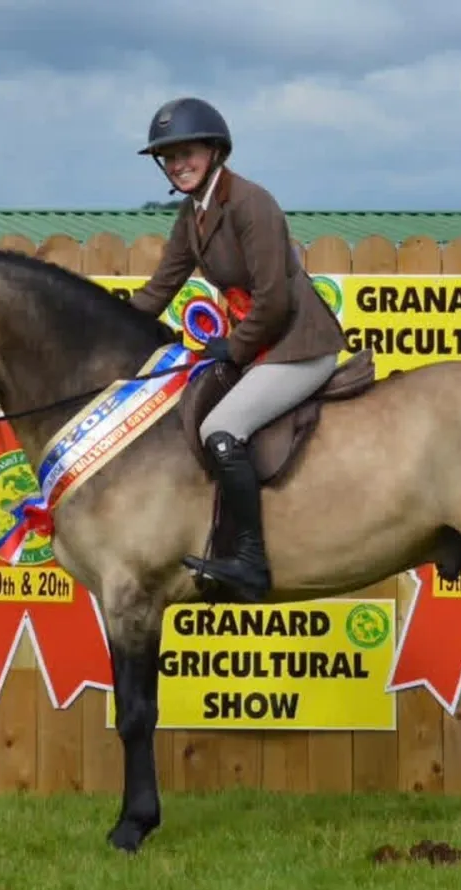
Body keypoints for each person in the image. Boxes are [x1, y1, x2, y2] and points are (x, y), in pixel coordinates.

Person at [128, 97, 347, 602]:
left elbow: (274, 301)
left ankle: (249, 559)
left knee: (220, 429)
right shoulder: (192, 214)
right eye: (169, 157)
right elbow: (160, 290)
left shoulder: (252, 203)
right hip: (262, 344)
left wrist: (232, 348)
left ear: (214, 150)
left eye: (187, 153)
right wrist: (101, 318)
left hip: (298, 344)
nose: (178, 164)